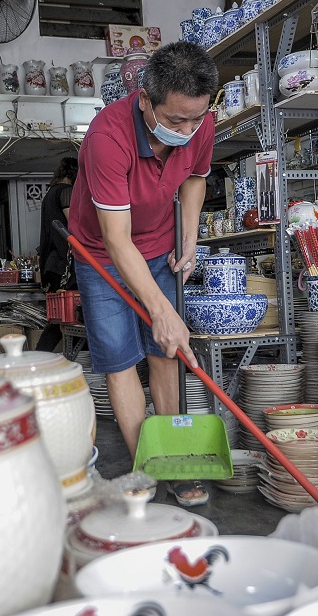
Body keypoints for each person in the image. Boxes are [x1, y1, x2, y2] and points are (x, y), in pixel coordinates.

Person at [68, 41, 217, 507]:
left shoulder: (200, 121)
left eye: (197, 119)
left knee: (165, 353)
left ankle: (174, 460)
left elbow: (195, 176)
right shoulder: (107, 138)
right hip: (102, 254)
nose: (189, 130)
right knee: (118, 358)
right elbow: (116, 240)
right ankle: (148, 468)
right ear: (145, 100)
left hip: (158, 244)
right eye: (176, 121)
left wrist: (189, 237)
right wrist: (161, 309)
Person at [36, 156, 79, 352]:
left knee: (59, 317)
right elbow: (75, 227)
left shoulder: (49, 195)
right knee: (73, 317)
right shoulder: (65, 192)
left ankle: (40, 355)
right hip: (66, 265)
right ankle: (43, 356)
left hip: (52, 264)